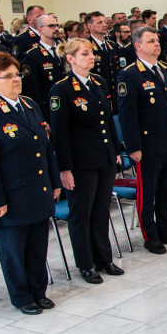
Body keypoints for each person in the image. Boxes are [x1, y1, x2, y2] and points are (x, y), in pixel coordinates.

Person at [0, 53, 61, 314]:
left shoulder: (30, 105)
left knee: (37, 247)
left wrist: (54, 181)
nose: (16, 79)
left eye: (17, 74)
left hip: (37, 188)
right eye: (8, 76)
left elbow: (46, 147)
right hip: (10, 195)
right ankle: (22, 297)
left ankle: (38, 291)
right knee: (14, 251)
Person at [49, 38, 123, 283]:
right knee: (81, 214)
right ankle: (86, 264)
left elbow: (108, 121)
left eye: (91, 53)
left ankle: (104, 259)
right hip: (80, 162)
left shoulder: (99, 82)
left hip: (104, 156)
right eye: (85, 54)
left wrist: (116, 151)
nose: (91, 57)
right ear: (70, 59)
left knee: (101, 210)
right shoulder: (61, 89)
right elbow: (60, 134)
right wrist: (65, 169)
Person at [117, 26, 167, 254]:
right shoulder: (129, 74)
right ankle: (150, 236)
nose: (157, 44)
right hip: (148, 145)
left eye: (157, 41)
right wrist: (134, 147)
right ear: (138, 46)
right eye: (151, 41)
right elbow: (127, 116)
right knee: (148, 193)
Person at [21, 14, 64, 115]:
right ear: (40, 29)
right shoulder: (32, 56)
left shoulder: (65, 51)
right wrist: (42, 116)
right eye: (51, 26)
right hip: (49, 108)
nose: (56, 29)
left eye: (57, 25)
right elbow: (32, 91)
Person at [86, 12, 121, 103]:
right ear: (90, 26)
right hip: (98, 94)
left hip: (115, 93)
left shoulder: (112, 45)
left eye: (104, 22)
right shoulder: (87, 46)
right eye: (99, 22)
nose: (105, 25)